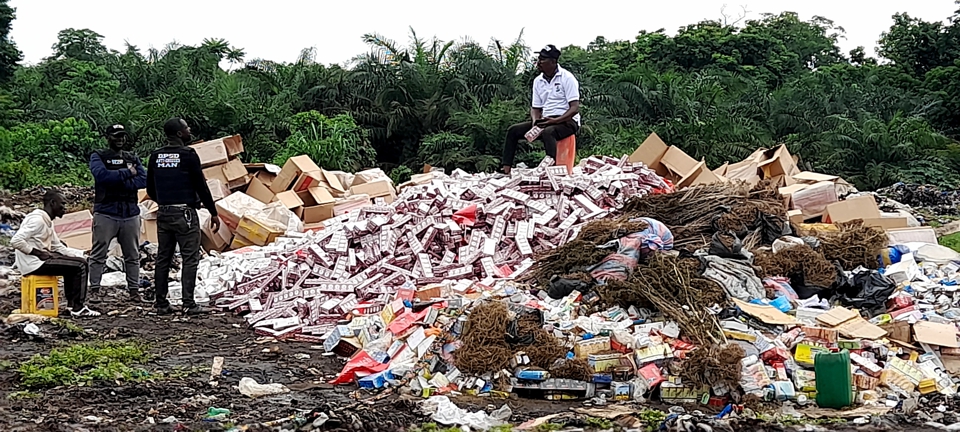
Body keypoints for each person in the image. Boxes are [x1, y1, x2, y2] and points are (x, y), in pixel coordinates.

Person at [146, 118, 221, 315]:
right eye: (187, 128)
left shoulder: (155, 156)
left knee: (164, 258)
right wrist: (213, 212)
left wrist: (165, 201)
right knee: (190, 258)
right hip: (185, 214)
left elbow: (150, 189)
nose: (190, 130)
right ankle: (188, 303)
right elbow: (201, 186)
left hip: (164, 212)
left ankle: (161, 303)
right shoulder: (188, 155)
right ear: (180, 133)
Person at [10, 190, 101, 317]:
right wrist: (38, 253)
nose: (65, 208)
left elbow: (57, 246)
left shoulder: (46, 221)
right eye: (62, 204)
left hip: (37, 261)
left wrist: (81, 254)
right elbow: (15, 241)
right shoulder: (38, 221)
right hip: (33, 263)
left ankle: (71, 306)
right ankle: (78, 308)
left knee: (76, 264)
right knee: (80, 266)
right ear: (52, 203)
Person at [88, 124, 149, 302]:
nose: (120, 139)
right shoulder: (98, 156)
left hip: (130, 213)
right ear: (108, 137)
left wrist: (118, 180)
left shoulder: (132, 157)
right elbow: (101, 176)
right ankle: (94, 290)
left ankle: (134, 291)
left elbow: (143, 180)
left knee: (133, 255)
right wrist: (127, 173)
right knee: (98, 254)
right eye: (116, 136)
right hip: (106, 212)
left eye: (122, 135)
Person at [502, 44, 581, 175]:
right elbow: (535, 108)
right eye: (539, 59)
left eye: (542, 59)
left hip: (567, 120)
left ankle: (553, 171)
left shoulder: (567, 78)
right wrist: (535, 122)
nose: (538, 62)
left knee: (548, 132)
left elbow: (574, 108)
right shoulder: (538, 81)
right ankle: (506, 170)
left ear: (553, 62)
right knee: (513, 131)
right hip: (546, 120)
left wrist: (554, 121)